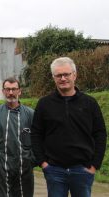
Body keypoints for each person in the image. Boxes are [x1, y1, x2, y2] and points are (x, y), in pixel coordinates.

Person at [31, 57, 107, 197]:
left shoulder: (90, 103)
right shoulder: (44, 104)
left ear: (75, 75)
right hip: (54, 170)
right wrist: (42, 162)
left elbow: (100, 134)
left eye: (66, 74)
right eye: (59, 75)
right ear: (54, 78)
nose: (63, 78)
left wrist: (95, 164)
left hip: (83, 170)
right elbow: (36, 134)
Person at [0, 77, 35, 197]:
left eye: (14, 89)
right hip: (1, 167)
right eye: (8, 89)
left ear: (19, 91)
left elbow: (38, 138)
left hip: (24, 167)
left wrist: (32, 158)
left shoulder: (30, 114)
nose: (11, 93)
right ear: (3, 91)